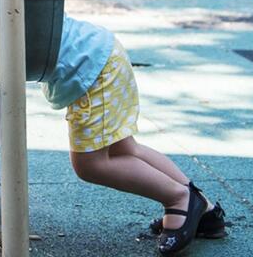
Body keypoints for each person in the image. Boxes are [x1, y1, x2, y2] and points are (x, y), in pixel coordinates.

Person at [46, 15, 227, 254]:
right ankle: (202, 209)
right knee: (123, 149)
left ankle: (178, 198)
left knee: (90, 164)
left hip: (90, 68)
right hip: (101, 52)